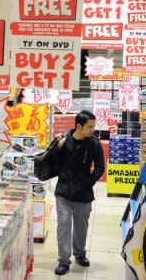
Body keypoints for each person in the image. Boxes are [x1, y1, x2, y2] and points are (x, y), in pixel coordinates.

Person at [51, 110, 104, 275]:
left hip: (83, 192)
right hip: (64, 190)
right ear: (78, 126)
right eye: (89, 127)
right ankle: (64, 261)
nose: (92, 130)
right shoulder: (63, 140)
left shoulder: (94, 144)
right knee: (63, 225)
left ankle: (80, 254)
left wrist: (89, 181)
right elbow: (50, 162)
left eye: (93, 126)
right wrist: (56, 148)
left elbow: (100, 166)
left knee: (81, 226)